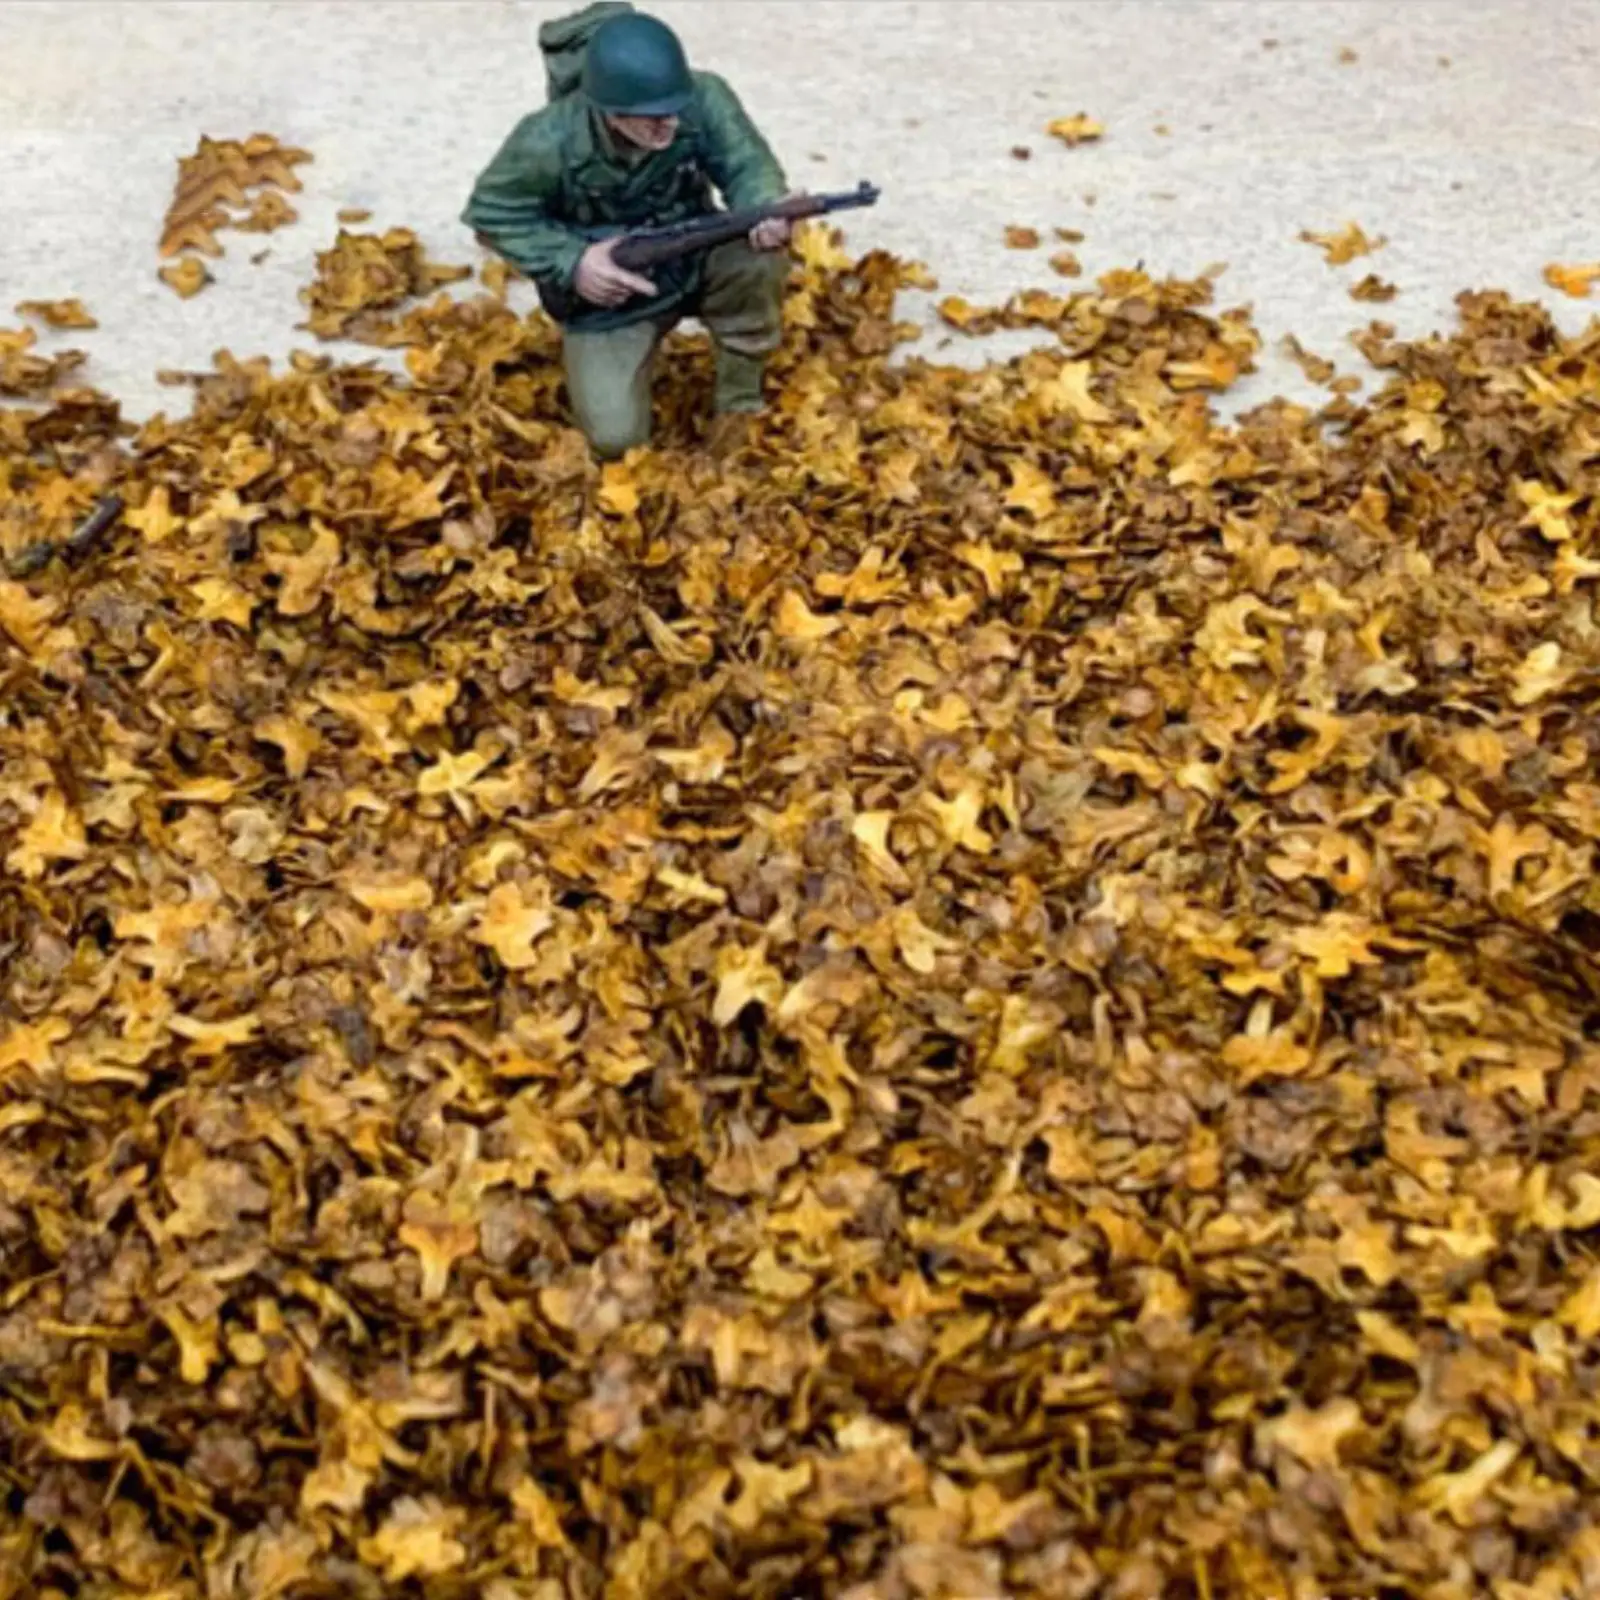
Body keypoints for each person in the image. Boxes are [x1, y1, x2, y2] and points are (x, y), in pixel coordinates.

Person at [463, 3, 795, 458]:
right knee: (615, 439)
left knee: (758, 255)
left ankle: (739, 401)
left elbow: (746, 164)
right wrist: (574, 262)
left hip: (694, 254)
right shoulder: (546, 141)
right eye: (653, 116)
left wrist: (765, 206)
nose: (670, 124)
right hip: (613, 299)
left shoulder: (702, 96)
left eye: (674, 110)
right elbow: (491, 212)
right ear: (610, 111)